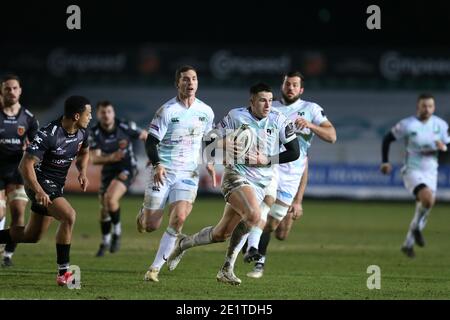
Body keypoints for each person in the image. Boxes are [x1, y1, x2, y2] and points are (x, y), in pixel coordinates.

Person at [166, 82, 300, 285]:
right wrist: (223, 145)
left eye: (271, 101)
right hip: (235, 176)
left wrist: (268, 159)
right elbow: (209, 141)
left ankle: (183, 243)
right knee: (254, 215)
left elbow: (294, 151)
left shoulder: (279, 120)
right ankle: (227, 268)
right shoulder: (236, 117)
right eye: (262, 100)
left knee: (221, 234)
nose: (267, 105)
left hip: (261, 183)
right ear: (252, 101)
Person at [242, 71, 337, 279]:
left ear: (301, 89)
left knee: (279, 229)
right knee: (263, 212)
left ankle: (250, 235)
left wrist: (310, 125)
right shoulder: (270, 107)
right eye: (287, 84)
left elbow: (332, 136)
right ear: (282, 86)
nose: (290, 88)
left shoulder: (311, 109)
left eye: (295, 85)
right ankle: (257, 258)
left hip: (293, 174)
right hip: (270, 167)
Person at [0, 95, 92, 286]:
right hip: (39, 182)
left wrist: (82, 171)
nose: (90, 117)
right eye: (88, 113)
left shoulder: (82, 132)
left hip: (55, 186)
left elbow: (84, 151)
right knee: (69, 216)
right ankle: (64, 275)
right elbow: (25, 165)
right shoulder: (49, 133)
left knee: (31, 236)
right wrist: (39, 190)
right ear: (76, 116)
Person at [136, 65, 215, 282]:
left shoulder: (206, 111)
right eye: (185, 80)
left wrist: (209, 162)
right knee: (150, 225)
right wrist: (157, 163)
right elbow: (151, 142)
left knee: (179, 218)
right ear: (177, 84)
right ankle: (144, 213)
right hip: (163, 171)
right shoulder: (167, 111)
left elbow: (209, 138)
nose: (190, 83)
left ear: (198, 83)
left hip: (188, 173)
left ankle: (154, 269)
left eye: (194, 79)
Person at [380, 93, 449, 258]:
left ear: (434, 107)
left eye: (430, 106)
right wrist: (385, 162)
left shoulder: (441, 125)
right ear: (418, 107)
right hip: (412, 170)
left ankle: (408, 244)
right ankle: (416, 229)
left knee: (423, 208)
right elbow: (387, 139)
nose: (427, 109)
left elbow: (447, 146)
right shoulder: (407, 124)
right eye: (424, 106)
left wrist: (444, 148)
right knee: (428, 200)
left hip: (431, 171)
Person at [89, 101, 147, 257]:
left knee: (111, 199)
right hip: (108, 170)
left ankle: (117, 233)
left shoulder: (125, 126)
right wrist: (112, 157)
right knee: (104, 209)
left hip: (127, 168)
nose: (106, 115)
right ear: (98, 114)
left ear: (113, 113)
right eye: (103, 112)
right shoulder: (94, 132)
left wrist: (153, 157)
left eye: (109, 111)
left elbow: (145, 135)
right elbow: (94, 159)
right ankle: (105, 241)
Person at [0, 74, 39, 267]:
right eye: (7, 88)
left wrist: (30, 151)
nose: (11, 92)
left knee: (18, 216)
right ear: (2, 91)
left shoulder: (29, 119)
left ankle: (8, 254)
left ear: (20, 90)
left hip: (17, 172)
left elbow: (38, 148)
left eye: (15, 88)